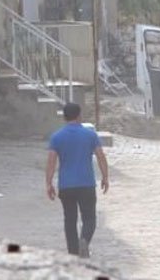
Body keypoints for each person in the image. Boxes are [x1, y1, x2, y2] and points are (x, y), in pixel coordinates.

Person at [46, 103, 109, 258]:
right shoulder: (90, 135)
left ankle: (73, 253)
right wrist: (105, 177)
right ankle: (84, 241)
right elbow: (101, 156)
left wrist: (48, 183)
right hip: (86, 184)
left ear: (64, 117)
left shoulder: (56, 137)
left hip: (66, 185)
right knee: (89, 218)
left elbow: (51, 162)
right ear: (79, 115)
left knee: (70, 220)